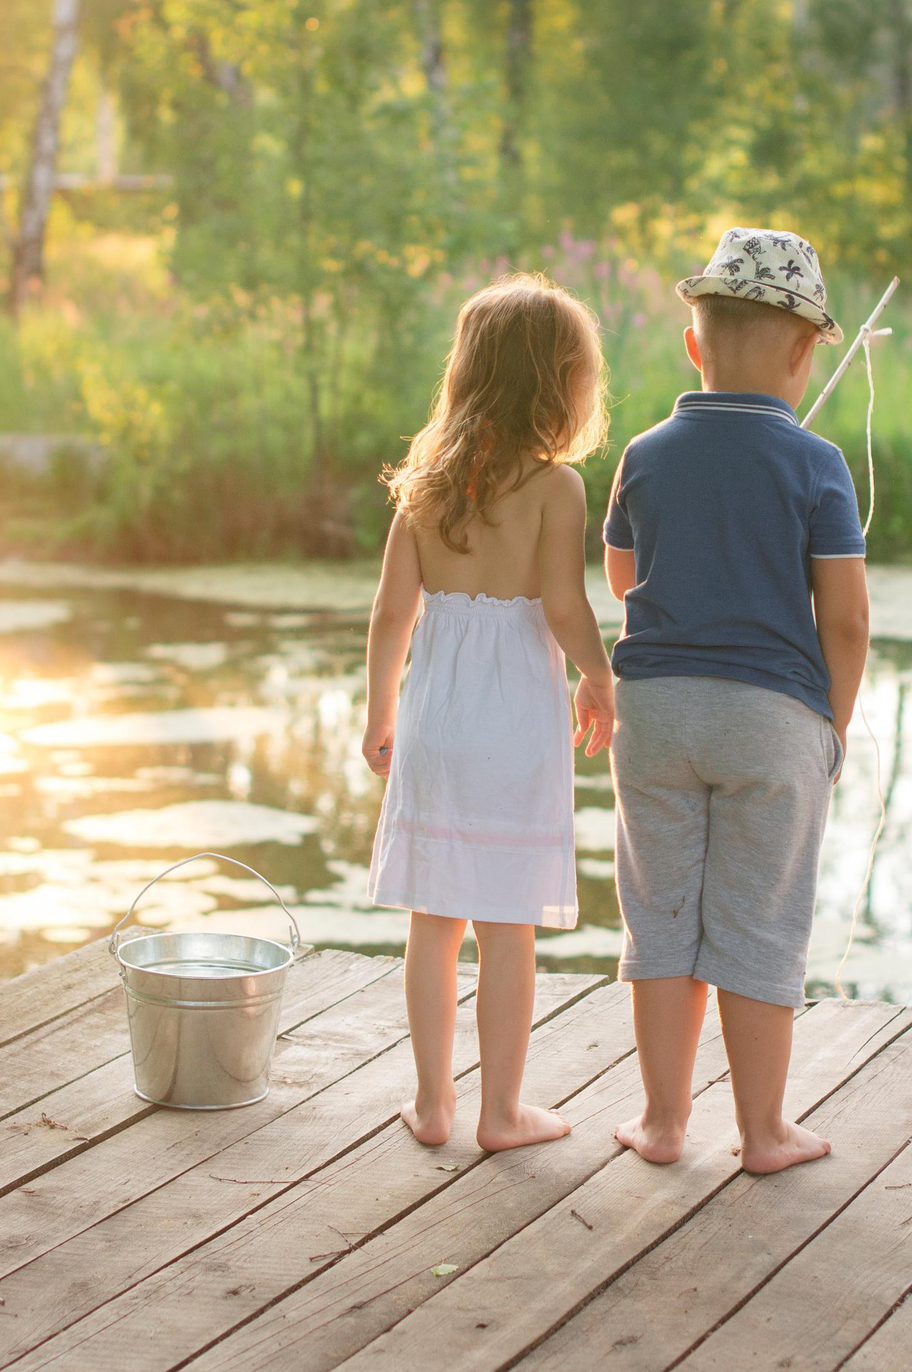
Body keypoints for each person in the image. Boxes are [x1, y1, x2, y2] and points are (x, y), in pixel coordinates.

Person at [601, 227, 870, 1175]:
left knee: (662, 916)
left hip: (655, 715)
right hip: (772, 721)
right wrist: (830, 727)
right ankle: (762, 1133)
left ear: (692, 342)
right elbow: (844, 618)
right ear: (805, 355)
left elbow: (623, 571)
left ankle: (664, 1123)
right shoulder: (817, 464)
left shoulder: (644, 452)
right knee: (758, 922)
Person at [363, 273, 616, 1151]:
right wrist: (600, 677)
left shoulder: (422, 488)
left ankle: (433, 1105)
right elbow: (563, 606)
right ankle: (500, 1113)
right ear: (559, 385)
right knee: (507, 928)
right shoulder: (557, 489)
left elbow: (392, 615)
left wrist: (378, 711)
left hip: (435, 718)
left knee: (433, 926)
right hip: (513, 728)